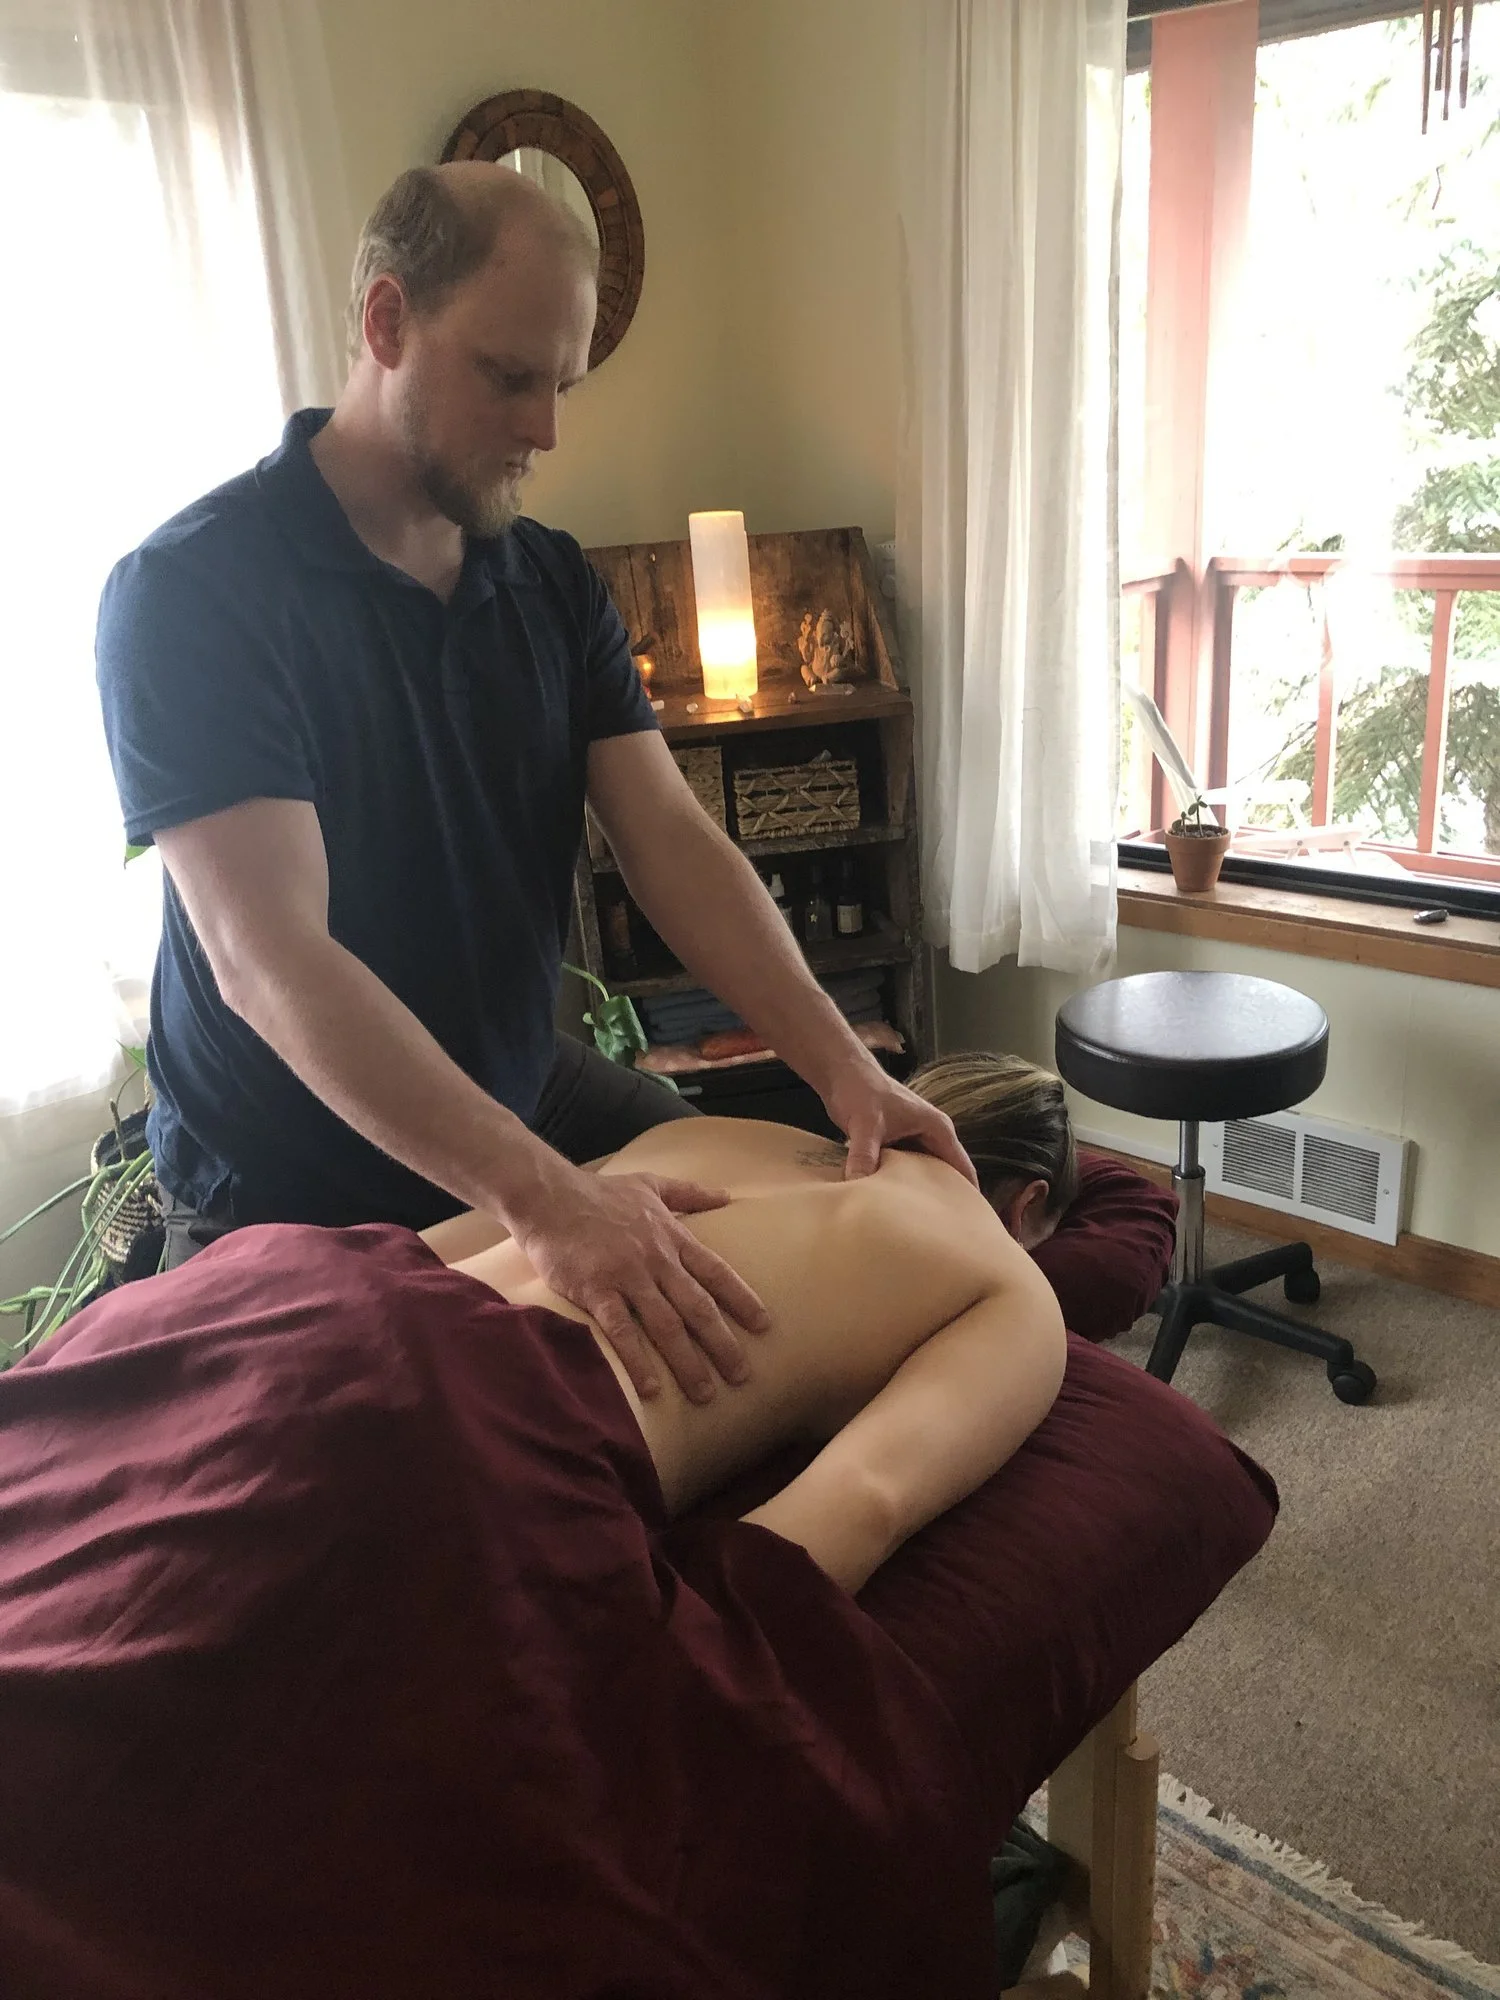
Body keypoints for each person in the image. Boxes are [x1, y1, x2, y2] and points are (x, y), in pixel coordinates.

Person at [94, 160, 971, 1408]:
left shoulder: (552, 583)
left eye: (563, 385)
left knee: (776, 1227)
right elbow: (271, 961)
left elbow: (672, 842)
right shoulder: (193, 593)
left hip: (518, 1084)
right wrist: (544, 1198)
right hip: (288, 1179)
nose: (548, 431)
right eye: (509, 378)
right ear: (386, 322)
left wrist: (848, 1069)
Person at [435, 1111, 1067, 1594]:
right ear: (1027, 1204)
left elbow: (444, 1243)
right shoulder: (1012, 1284)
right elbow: (864, 1501)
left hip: (392, 1301)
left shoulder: (694, 1127)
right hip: (494, 1442)